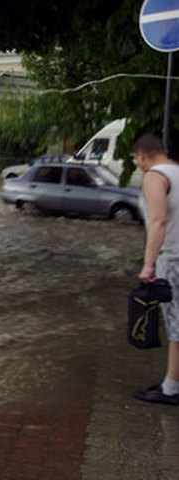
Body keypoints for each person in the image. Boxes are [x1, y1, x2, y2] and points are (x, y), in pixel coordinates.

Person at [132, 133, 179, 405]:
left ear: (142, 155)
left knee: (175, 326)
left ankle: (171, 388)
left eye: (136, 160)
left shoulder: (154, 176)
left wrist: (148, 264)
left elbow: (158, 220)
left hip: (171, 259)